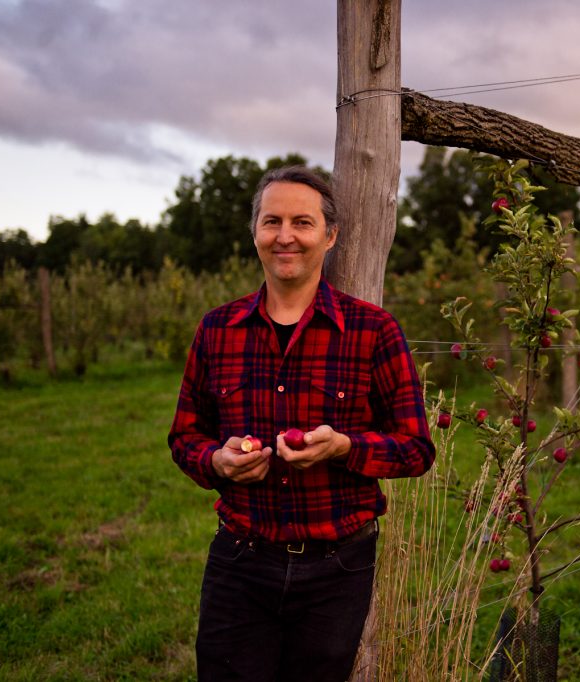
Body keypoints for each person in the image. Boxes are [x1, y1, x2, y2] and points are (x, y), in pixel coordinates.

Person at [169, 165, 435, 681]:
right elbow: (184, 437)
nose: (285, 236)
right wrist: (217, 462)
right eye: (271, 222)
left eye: (302, 222)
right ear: (255, 233)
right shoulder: (217, 330)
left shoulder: (372, 331)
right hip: (240, 560)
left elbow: (416, 448)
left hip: (337, 566)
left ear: (330, 235)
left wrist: (344, 448)